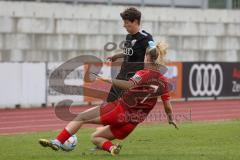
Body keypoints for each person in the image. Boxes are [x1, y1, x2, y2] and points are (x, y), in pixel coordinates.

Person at [39, 41, 178, 156]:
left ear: (147, 58)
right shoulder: (164, 81)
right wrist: (170, 119)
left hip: (119, 111)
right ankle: (112, 148)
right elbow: (167, 106)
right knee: (96, 137)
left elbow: (129, 84)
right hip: (131, 124)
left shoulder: (142, 73)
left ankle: (57, 142)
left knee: (80, 117)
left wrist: (107, 80)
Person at [106, 7, 154, 102]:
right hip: (122, 75)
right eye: (124, 22)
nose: (124, 25)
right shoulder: (128, 36)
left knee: (127, 107)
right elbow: (128, 53)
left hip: (134, 79)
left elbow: (154, 53)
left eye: (127, 23)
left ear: (135, 22)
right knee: (109, 103)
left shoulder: (146, 37)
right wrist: (116, 56)